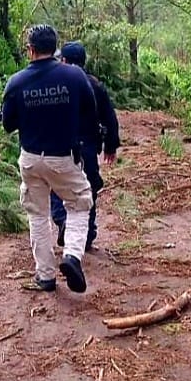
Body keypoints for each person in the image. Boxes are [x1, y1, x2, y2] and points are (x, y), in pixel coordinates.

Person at [1, 24, 97, 293]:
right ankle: (72, 256)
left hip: (31, 158)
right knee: (79, 204)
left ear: (30, 50)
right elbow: (90, 112)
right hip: (64, 157)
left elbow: (8, 124)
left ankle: (45, 276)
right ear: (55, 48)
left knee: (38, 215)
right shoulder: (75, 76)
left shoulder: (16, 82)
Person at [50, 41, 120, 251]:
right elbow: (110, 117)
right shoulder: (95, 85)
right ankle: (87, 235)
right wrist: (111, 146)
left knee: (57, 188)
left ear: (64, 60)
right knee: (88, 189)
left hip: (60, 146)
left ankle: (63, 221)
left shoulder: (55, 84)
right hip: (88, 147)